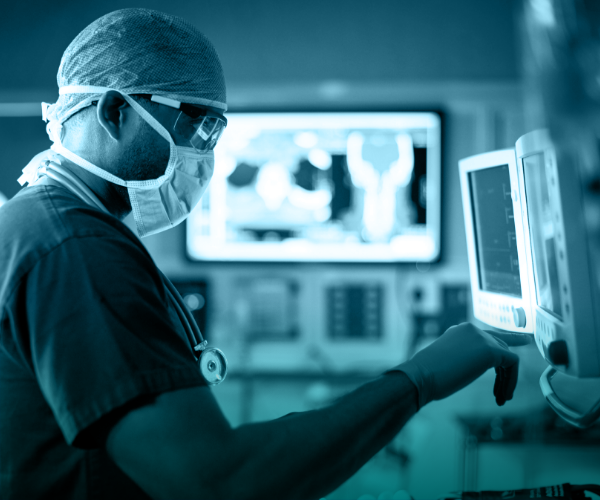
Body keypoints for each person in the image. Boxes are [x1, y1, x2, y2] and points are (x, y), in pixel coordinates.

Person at [0, 8, 532, 500]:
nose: (205, 158)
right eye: (198, 128)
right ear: (116, 110)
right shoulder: (75, 249)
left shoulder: (50, 224)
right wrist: (421, 379)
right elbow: (217, 481)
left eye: (217, 133)